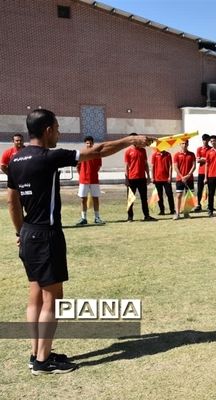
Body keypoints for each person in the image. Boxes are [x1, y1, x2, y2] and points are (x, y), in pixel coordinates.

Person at [6, 109, 152, 375]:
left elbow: (11, 202)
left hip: (28, 233)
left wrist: (19, 233)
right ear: (48, 129)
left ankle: (37, 352)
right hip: (46, 234)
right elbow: (98, 151)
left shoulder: (15, 160)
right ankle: (42, 362)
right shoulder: (49, 157)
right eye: (58, 128)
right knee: (53, 299)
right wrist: (130, 140)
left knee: (35, 295)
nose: (59, 133)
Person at [124, 133, 156, 222]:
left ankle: (147, 216)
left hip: (142, 178)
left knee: (144, 198)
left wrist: (148, 176)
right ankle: (130, 217)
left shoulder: (143, 151)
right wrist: (127, 179)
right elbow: (126, 166)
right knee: (130, 199)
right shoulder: (128, 151)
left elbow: (145, 164)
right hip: (132, 179)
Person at [76, 136, 104, 225]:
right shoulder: (81, 153)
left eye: (90, 143)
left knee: (95, 198)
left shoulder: (97, 153)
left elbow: (99, 166)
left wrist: (92, 173)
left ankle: (97, 217)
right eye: (87, 143)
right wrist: (82, 175)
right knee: (83, 199)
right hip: (83, 180)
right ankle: (83, 218)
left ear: (93, 143)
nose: (89, 144)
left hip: (94, 180)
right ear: (85, 144)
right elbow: (78, 166)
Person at [173, 140, 196, 219]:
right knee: (179, 195)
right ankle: (177, 213)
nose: (184, 145)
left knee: (188, 196)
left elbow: (194, 166)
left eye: (186, 143)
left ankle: (186, 213)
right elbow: (175, 167)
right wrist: (182, 176)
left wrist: (188, 175)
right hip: (180, 179)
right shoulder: (176, 155)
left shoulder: (192, 154)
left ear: (188, 144)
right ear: (180, 144)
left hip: (189, 179)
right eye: (183, 143)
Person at [151, 149, 176, 216]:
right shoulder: (154, 154)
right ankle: (162, 210)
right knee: (159, 196)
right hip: (157, 179)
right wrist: (152, 177)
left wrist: (170, 176)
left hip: (166, 179)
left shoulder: (168, 154)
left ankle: (172, 210)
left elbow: (170, 166)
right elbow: (152, 166)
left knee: (169, 194)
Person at [194, 134, 211, 212]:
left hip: (210, 171)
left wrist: (202, 158)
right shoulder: (199, 149)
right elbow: (197, 160)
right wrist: (206, 159)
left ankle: (210, 205)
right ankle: (198, 205)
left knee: (210, 189)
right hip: (201, 172)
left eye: (206, 139)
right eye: (203, 139)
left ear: (208, 140)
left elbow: (211, 160)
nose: (204, 141)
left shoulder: (211, 149)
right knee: (199, 189)